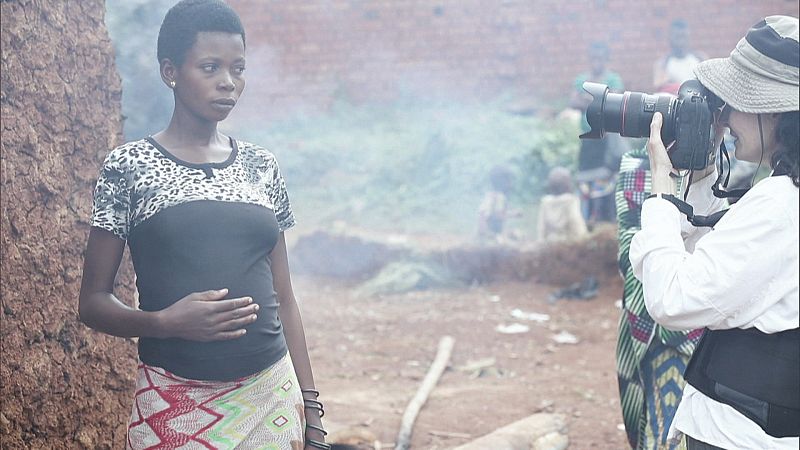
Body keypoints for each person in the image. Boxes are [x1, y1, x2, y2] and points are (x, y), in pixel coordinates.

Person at [78, 1, 328, 448]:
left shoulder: (261, 166)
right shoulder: (129, 166)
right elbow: (92, 302)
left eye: (238, 68)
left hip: (270, 397)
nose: (228, 82)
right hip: (174, 404)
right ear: (170, 70)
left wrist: (312, 410)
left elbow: (285, 299)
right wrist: (164, 322)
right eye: (210, 67)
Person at [631, 15, 799, 449]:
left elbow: (674, 299)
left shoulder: (780, 203)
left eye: (734, 102)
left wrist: (664, 193)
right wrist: (702, 177)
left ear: (776, 112)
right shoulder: (782, 196)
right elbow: (721, 268)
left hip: (738, 436)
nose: (722, 114)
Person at [570, 42, 627, 226]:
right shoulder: (581, 80)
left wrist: (588, 99)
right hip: (587, 136)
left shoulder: (613, 79)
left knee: (606, 178)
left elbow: (614, 101)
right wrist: (600, 99)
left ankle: (606, 217)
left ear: (606, 59)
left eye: (600, 58)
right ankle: (587, 217)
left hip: (606, 137)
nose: (597, 62)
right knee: (585, 177)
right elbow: (573, 102)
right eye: (593, 58)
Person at [652, 19, 706, 93]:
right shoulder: (663, 63)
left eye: (683, 36)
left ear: (688, 37)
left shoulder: (700, 59)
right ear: (670, 38)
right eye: (677, 37)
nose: (681, 41)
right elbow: (658, 86)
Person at [536, 166, 587, 242]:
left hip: (549, 246)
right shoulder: (570, 201)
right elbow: (576, 224)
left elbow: (541, 228)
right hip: (568, 247)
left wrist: (541, 244)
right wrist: (585, 239)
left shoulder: (545, 202)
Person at [477, 164, 520, 240]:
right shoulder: (500, 197)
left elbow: (483, 213)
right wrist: (514, 214)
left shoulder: (489, 195)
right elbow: (497, 215)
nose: (510, 184)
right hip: (491, 234)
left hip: (485, 233)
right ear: (502, 182)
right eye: (508, 180)